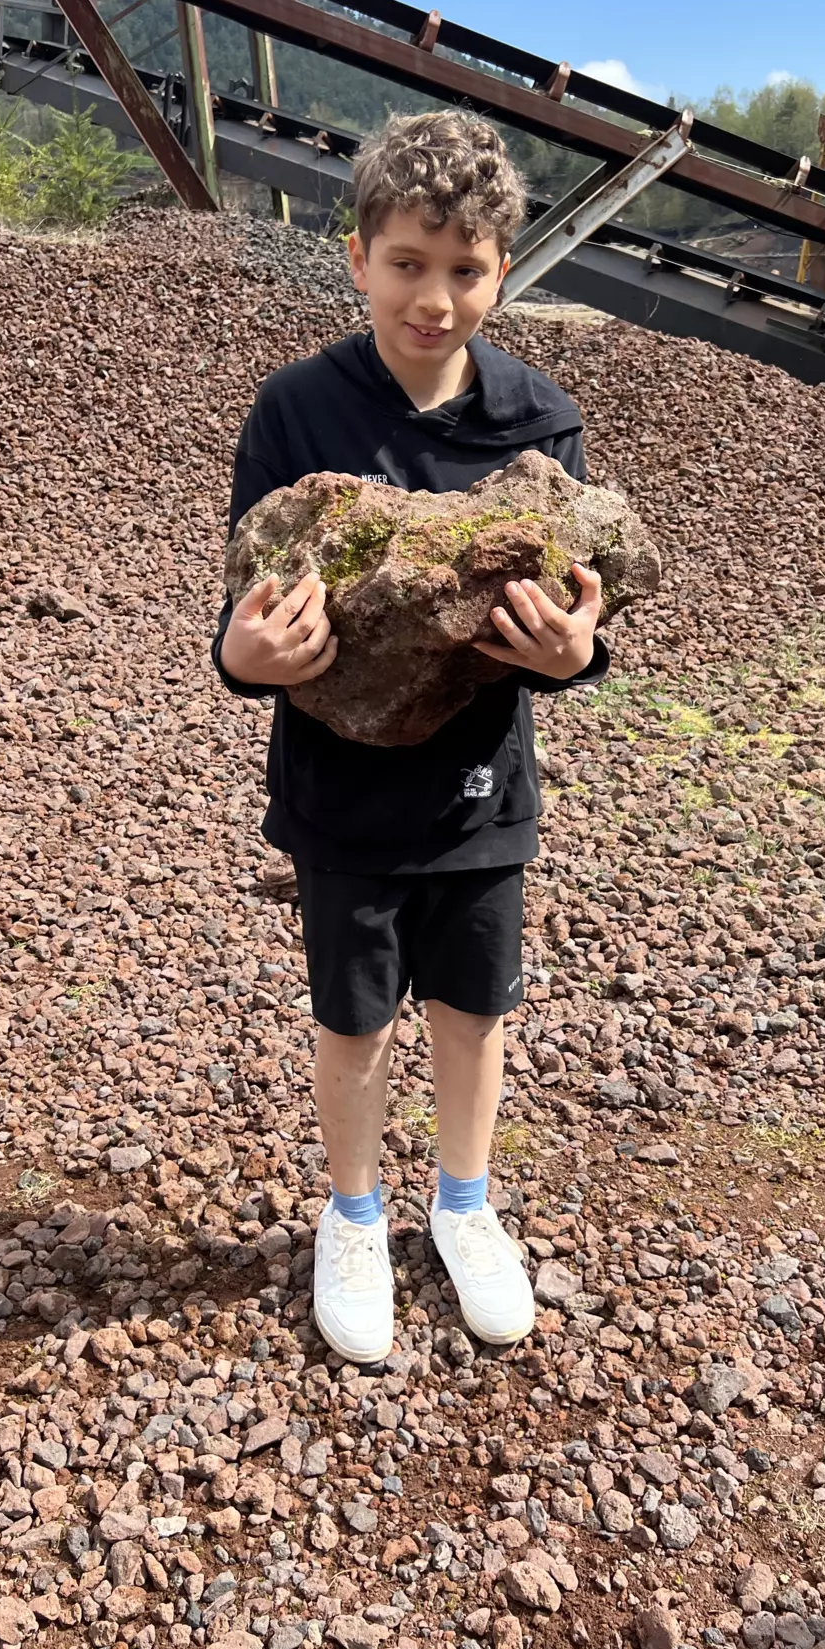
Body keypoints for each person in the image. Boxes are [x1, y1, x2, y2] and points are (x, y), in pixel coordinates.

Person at [213, 110, 607, 1364]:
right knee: (353, 1016)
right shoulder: (298, 413)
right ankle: (352, 1212)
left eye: (465, 269)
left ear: (502, 270)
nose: (433, 299)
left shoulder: (538, 422)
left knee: (474, 1011)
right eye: (407, 264)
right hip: (339, 787)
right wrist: (243, 659)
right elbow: (239, 613)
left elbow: (589, 618)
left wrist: (575, 654)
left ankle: (464, 1204)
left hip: (482, 791)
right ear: (357, 257)